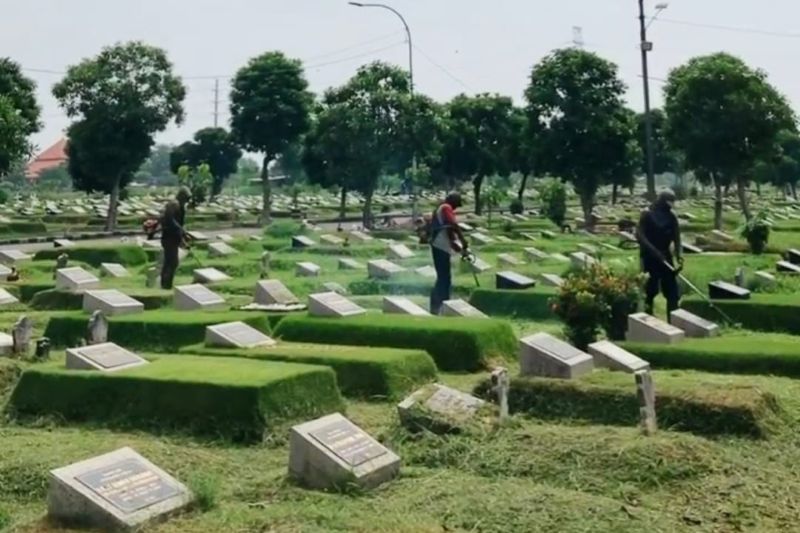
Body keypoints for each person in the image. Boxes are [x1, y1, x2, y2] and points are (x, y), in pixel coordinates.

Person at [636, 190, 683, 319]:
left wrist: (679, 256)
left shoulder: (671, 216)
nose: (671, 205)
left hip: (665, 255)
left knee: (672, 291)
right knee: (650, 290)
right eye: (669, 201)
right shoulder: (647, 214)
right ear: (661, 200)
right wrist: (654, 251)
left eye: (672, 202)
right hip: (649, 257)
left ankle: (674, 320)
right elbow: (640, 236)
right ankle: (647, 319)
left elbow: (677, 237)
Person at [429, 192, 469, 315]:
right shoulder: (446, 207)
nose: (456, 208)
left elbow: (449, 232)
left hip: (441, 245)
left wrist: (460, 249)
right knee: (444, 278)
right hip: (440, 245)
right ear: (453, 201)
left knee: (444, 277)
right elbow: (453, 225)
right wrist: (462, 239)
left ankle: (440, 303)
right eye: (457, 204)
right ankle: (439, 304)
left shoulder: (441, 208)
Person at [160, 187, 191, 290]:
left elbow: (180, 223)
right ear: (182, 196)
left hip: (174, 237)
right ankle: (166, 285)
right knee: (172, 262)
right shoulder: (173, 205)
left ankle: (166, 284)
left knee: (170, 262)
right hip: (169, 237)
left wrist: (184, 234)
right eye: (186, 198)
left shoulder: (180, 206)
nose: (187, 201)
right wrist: (180, 230)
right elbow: (170, 220)